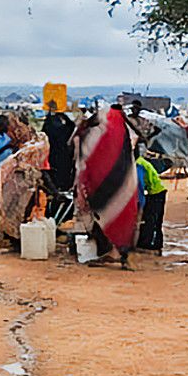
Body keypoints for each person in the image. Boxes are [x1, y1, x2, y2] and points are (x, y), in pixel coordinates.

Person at [73, 106, 140, 268]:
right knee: (120, 219)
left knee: (105, 217)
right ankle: (117, 254)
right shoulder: (123, 132)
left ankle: (118, 254)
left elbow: (85, 150)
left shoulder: (105, 134)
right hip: (123, 186)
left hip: (108, 186)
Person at [0, 134, 50, 244]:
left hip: (17, 184)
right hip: (14, 183)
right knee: (11, 210)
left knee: (15, 211)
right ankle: (10, 237)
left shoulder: (30, 151)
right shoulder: (31, 152)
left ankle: (12, 236)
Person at [42, 101, 76, 193]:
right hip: (63, 154)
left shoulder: (48, 127)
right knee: (64, 174)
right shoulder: (64, 129)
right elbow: (72, 125)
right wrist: (63, 114)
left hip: (52, 154)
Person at [135, 151, 166, 252]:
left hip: (155, 193)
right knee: (155, 219)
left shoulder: (138, 165)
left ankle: (148, 243)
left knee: (150, 219)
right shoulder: (141, 162)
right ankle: (156, 243)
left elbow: (140, 185)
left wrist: (140, 202)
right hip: (158, 191)